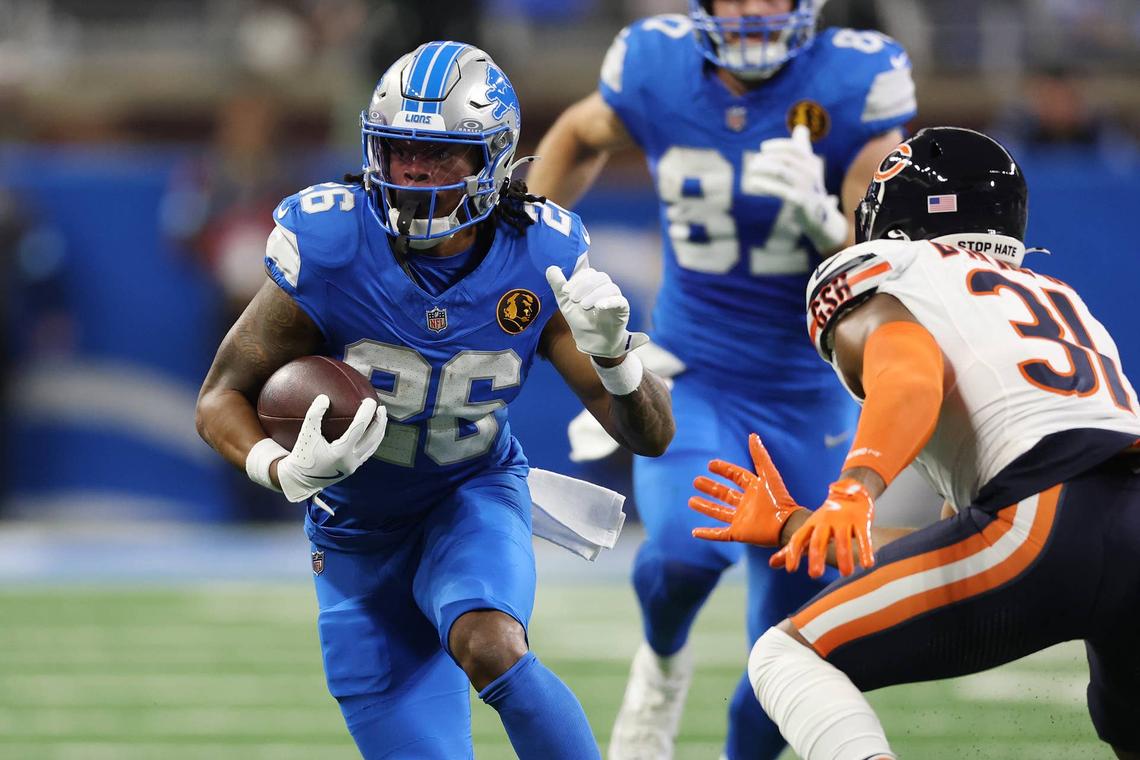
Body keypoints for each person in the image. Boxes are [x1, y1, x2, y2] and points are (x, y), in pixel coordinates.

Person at [195, 41, 675, 760]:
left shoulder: (539, 253)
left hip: (470, 492)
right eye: (398, 151)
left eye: (441, 155)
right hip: (354, 534)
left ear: (492, 160)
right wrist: (278, 469)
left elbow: (652, 436)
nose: (413, 172)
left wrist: (617, 362)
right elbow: (218, 399)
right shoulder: (331, 244)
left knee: (490, 642)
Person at [526, 2, 916, 757]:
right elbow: (578, 131)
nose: (757, 8)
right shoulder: (657, 65)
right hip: (693, 370)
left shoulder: (854, 78)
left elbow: (887, 263)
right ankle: (663, 662)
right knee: (683, 552)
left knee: (790, 647)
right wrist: (528, 230)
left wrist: (824, 225)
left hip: (808, 392)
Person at [689, 127, 1140, 759]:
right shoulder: (1059, 301)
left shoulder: (900, 274)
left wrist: (855, 488)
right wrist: (802, 525)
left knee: (785, 654)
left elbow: (910, 370)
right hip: (1107, 513)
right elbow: (962, 539)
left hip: (1041, 516)